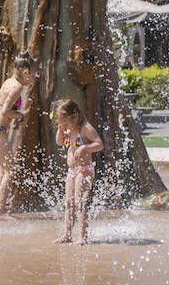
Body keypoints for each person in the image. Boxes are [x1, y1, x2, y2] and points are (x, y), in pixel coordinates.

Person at [0, 51, 38, 220]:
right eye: (33, 75)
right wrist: (20, 116)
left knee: (2, 171)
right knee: (9, 171)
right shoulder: (17, 86)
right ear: (25, 72)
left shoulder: (8, 82)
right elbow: (6, 111)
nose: (33, 79)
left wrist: (15, 116)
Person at [52, 99, 103, 245]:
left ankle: (82, 236)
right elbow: (60, 143)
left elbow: (99, 144)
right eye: (61, 124)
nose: (64, 127)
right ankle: (67, 234)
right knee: (69, 203)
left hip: (84, 170)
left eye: (66, 124)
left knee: (81, 202)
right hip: (72, 170)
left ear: (75, 116)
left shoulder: (85, 128)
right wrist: (61, 130)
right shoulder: (70, 128)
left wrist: (84, 148)